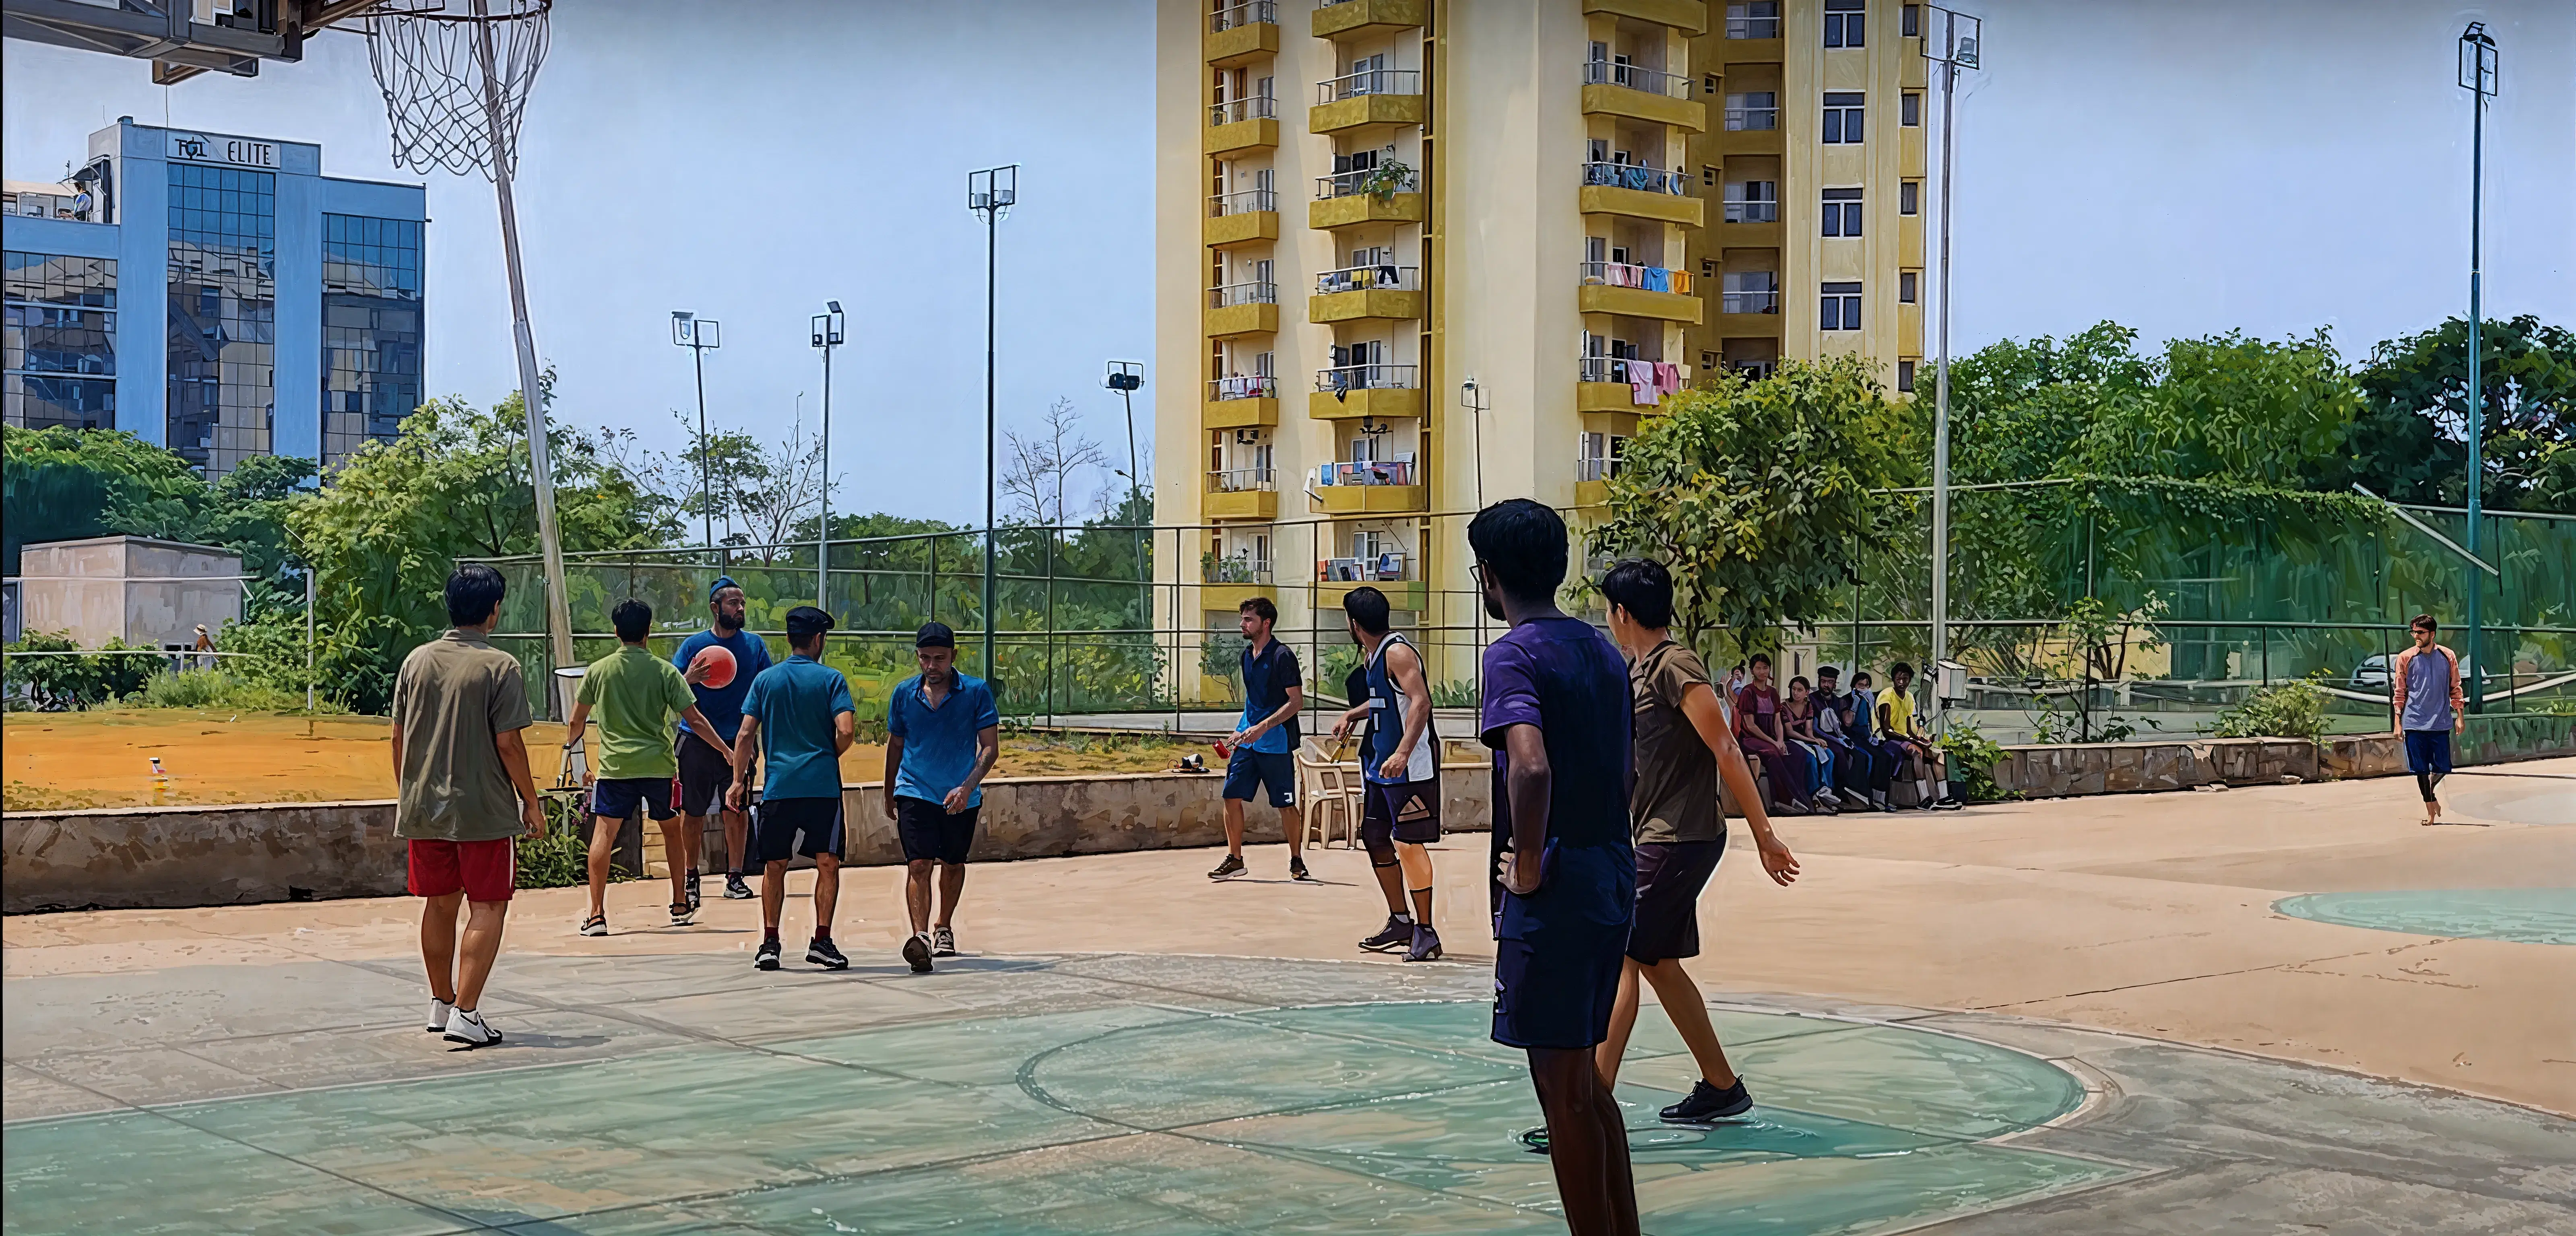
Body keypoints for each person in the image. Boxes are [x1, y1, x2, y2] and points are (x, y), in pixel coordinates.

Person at [1472, 498, 1639, 1236]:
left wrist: (1531, 865)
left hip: (1560, 886)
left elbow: (1530, 768)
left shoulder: (1513, 653)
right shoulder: (1603, 648)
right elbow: (1623, 769)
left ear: (1491, 575)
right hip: (1611, 871)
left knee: (1561, 1092)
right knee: (1590, 1087)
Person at [1593, 558, 1800, 1123]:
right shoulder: (1636, 671)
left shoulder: (1674, 665)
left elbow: (1727, 749)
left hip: (1680, 838)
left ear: (1623, 612)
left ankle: (1589, 1105)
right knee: (1657, 962)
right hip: (1656, 835)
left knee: (1624, 957)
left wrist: (1765, 836)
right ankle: (1721, 1086)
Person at [390, 564, 546, 1049]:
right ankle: (467, 1013)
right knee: (488, 906)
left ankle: (441, 1003)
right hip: (482, 810)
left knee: (440, 904)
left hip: (423, 808)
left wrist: (411, 790)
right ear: (494, 610)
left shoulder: (415, 661)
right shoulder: (500, 667)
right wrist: (531, 801)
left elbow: (398, 738)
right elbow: (509, 744)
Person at [566, 599, 734, 936]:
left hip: (616, 769)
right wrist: (726, 751)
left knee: (604, 834)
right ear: (649, 631)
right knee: (672, 832)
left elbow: (576, 720)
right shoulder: (665, 671)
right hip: (658, 767)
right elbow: (695, 720)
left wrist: (572, 755)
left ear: (616, 631)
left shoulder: (599, 671)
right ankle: (679, 903)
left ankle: (597, 915)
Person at [727, 606, 855, 971]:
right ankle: (822, 940)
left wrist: (738, 781)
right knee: (827, 863)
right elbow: (846, 730)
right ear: (819, 639)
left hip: (779, 788)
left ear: (789, 638)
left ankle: (770, 942)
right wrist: (828, 755)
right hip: (822, 789)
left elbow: (746, 733)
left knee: (775, 865)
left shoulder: (766, 681)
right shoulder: (832, 679)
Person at [1328, 585, 1444, 962]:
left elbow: (1420, 702)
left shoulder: (1397, 652)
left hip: (1409, 768)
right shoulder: (1374, 656)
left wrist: (1403, 751)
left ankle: (1426, 932)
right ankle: (1400, 921)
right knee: (1375, 837)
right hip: (1381, 768)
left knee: (1408, 844)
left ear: (1354, 623)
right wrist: (1352, 714)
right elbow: (1384, 701)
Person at [884, 621, 1000, 973]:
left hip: (960, 795)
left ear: (954, 656)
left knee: (952, 863)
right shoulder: (904, 694)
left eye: (939, 659)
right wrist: (889, 791)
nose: (932, 666)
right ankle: (919, 937)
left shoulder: (977, 692)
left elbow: (990, 748)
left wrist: (967, 787)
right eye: (924, 658)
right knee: (919, 864)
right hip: (914, 790)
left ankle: (943, 927)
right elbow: (896, 745)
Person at [674, 576, 775, 903]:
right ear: (715, 608)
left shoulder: (755, 646)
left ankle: (735, 877)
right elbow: (672, 690)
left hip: (740, 742)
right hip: (697, 742)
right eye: (734, 603)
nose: (741, 608)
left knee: (737, 809)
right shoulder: (693, 647)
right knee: (693, 811)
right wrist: (688, 678)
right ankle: (691, 875)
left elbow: (768, 689)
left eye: (743, 602)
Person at [1210, 596, 1310, 882]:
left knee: (1285, 804)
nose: (1242, 624)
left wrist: (1264, 727)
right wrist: (1240, 729)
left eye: (1249, 619)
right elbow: (1252, 702)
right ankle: (1236, 859)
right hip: (1248, 742)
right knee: (1231, 796)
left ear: (1265, 624)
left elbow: (1296, 702)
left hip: (1276, 743)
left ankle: (1296, 860)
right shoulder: (1246, 656)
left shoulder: (1282, 656)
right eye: (1243, 618)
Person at [2390, 614, 2465, 825]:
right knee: (2420, 769)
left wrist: (2460, 716)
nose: (2416, 636)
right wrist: (2398, 722)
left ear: (2432, 634)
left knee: (2442, 767)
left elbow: (2456, 688)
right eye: (2413, 632)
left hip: (2441, 722)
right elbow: (2400, 692)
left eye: (2420, 632)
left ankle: (2430, 794)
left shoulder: (2448, 656)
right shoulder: (2405, 658)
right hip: (2414, 722)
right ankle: (2430, 810)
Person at [1733, 653, 1812, 814]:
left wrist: (1781, 740)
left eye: (1765, 668)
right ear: (1752, 671)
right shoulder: (1748, 692)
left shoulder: (1773, 692)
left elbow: (1778, 721)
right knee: (1773, 752)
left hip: (1772, 739)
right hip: (1751, 739)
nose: (1762, 672)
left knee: (1797, 753)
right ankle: (1785, 799)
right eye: (1758, 668)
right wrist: (1773, 742)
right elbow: (1751, 725)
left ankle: (1800, 797)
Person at [1877, 662, 1960, 809]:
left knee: (1937, 753)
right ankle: (1924, 799)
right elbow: (1886, 730)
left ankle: (1944, 797)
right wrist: (1912, 741)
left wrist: (1921, 739)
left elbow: (1910, 729)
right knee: (1918, 752)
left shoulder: (1909, 698)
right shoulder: (1886, 695)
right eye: (1899, 679)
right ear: (1893, 680)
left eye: (1906, 679)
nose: (1902, 682)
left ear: (1910, 680)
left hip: (1904, 739)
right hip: (1889, 741)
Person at [1782, 676, 1844, 813]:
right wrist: (1813, 741)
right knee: (1811, 758)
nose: (1796, 693)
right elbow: (1790, 732)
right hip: (1790, 742)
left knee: (1829, 754)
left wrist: (1815, 740)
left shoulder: (1808, 706)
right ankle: (1815, 796)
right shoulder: (1784, 707)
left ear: (1807, 692)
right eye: (1793, 689)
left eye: (1800, 690)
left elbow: (1809, 730)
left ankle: (1826, 792)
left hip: (1805, 740)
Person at [1840, 669, 1899, 811]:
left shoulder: (1869, 701)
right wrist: (1855, 704)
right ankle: (1865, 797)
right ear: (1854, 685)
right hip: (1853, 736)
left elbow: (1873, 722)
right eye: (1860, 685)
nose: (1863, 688)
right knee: (1868, 757)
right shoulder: (1846, 699)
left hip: (1867, 737)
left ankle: (1881, 799)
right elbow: (1847, 723)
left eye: (1866, 685)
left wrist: (1874, 736)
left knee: (1885, 757)